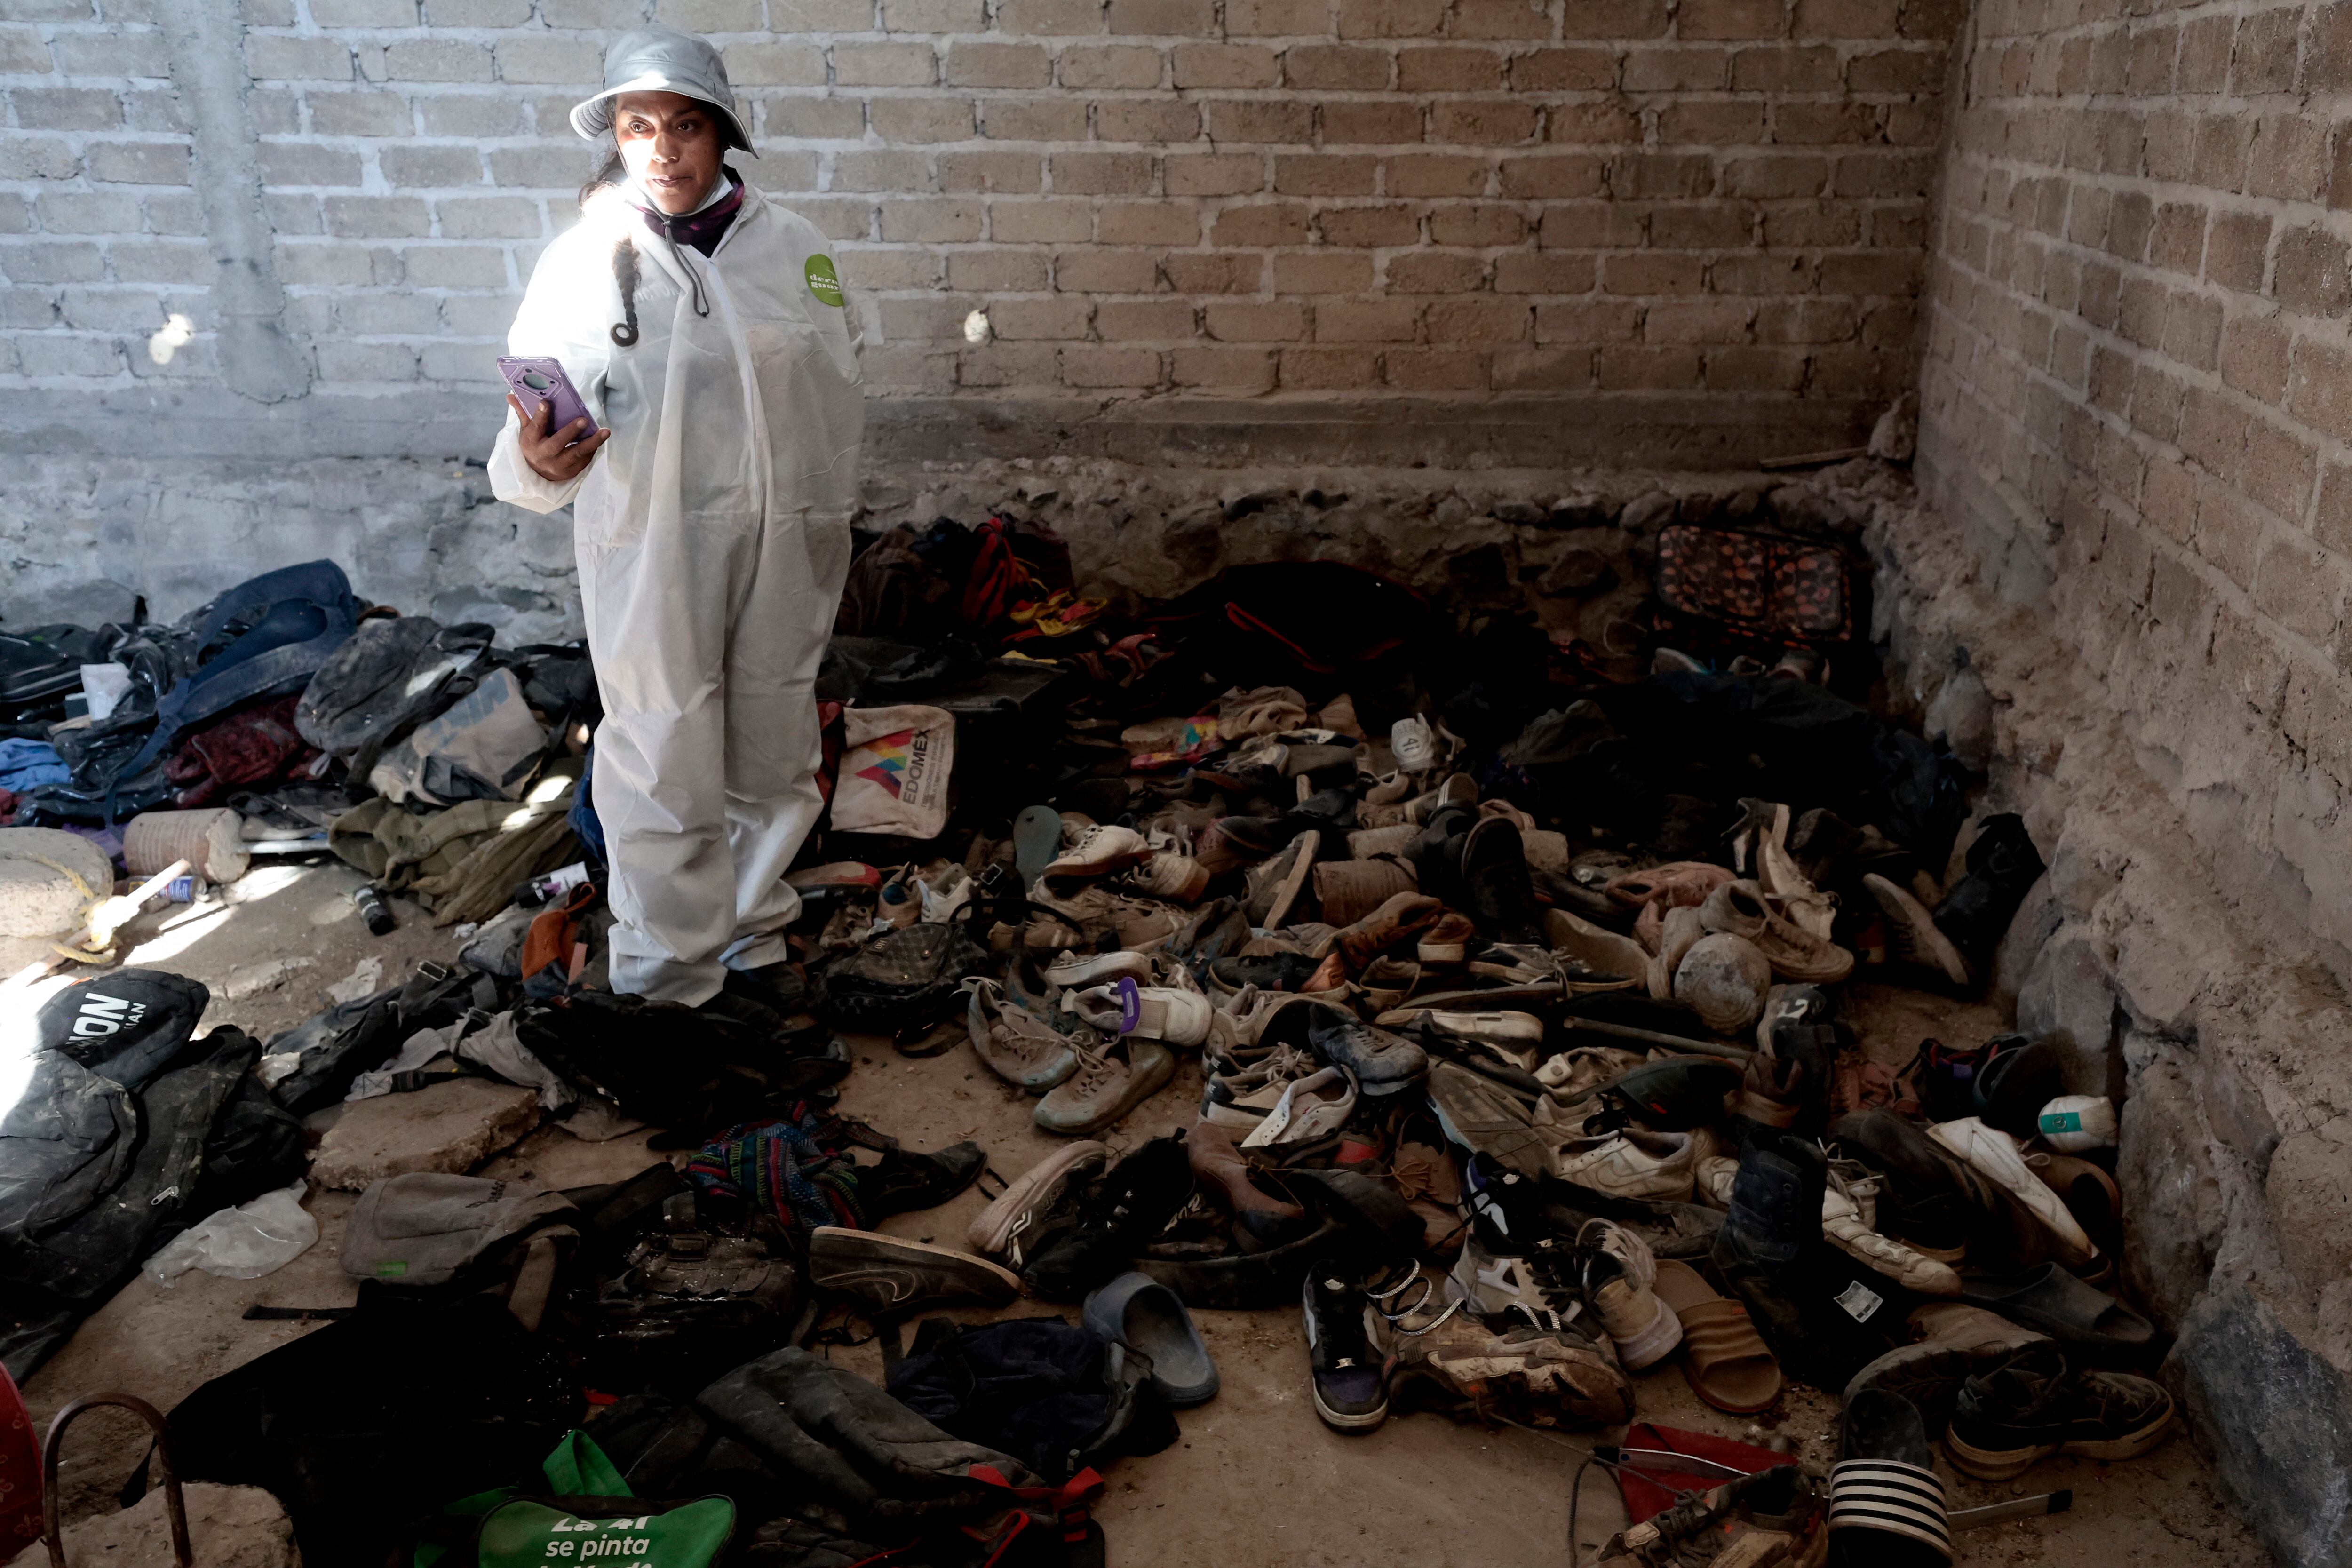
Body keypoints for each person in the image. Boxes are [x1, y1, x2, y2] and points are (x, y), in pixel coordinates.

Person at [489, 26, 861, 1021]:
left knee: (774, 747)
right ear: (616, 136)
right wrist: (532, 462)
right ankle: (666, 986)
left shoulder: (799, 250)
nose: (662, 147)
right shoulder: (586, 264)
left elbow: (838, 395)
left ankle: (752, 935)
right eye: (638, 125)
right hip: (652, 550)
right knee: (661, 757)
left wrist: (827, 519)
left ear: (723, 134)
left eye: (685, 125)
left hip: (785, 544)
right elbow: (532, 424)